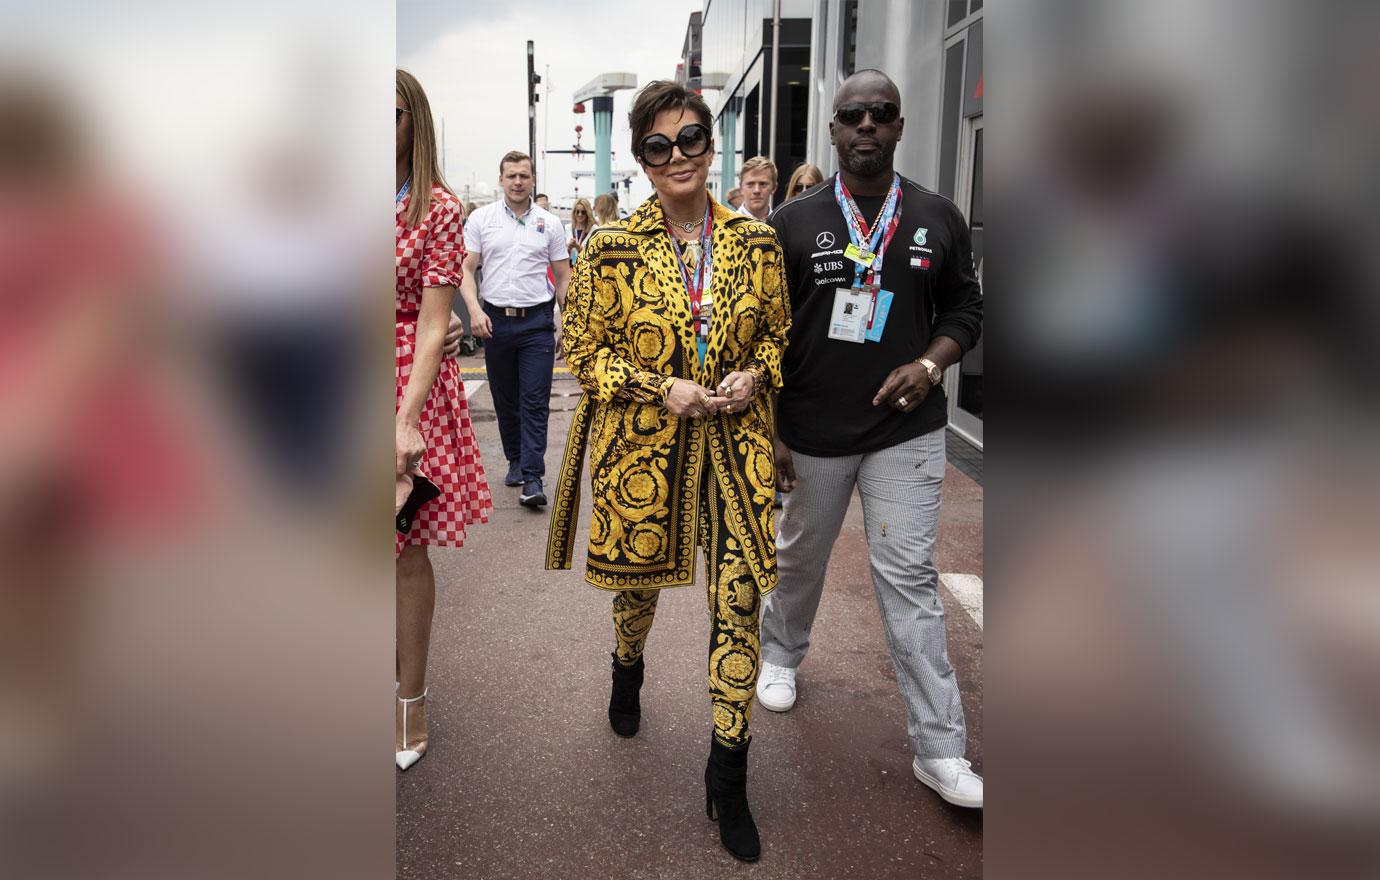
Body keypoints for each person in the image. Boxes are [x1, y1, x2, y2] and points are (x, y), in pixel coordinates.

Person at [546, 80, 790, 862]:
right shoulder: (609, 247)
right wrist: (662, 387)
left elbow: (779, 336)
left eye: (690, 140)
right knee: (638, 587)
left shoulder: (757, 242)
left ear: (710, 148)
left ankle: (729, 772)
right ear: (642, 161)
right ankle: (627, 667)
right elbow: (581, 351)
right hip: (644, 451)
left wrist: (757, 374)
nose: (677, 156)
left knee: (739, 600)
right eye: (659, 146)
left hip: (736, 445)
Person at [756, 69, 985, 807]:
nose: (866, 125)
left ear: (899, 127)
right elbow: (759, 333)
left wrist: (930, 362)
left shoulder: (937, 215)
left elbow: (966, 310)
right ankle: (782, 652)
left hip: (906, 433)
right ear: (832, 129)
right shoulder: (791, 223)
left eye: (880, 114)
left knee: (909, 580)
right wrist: (774, 428)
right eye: (851, 114)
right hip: (813, 430)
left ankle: (940, 747)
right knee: (801, 558)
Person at [394, 69, 493, 770]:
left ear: (414, 123)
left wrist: (405, 421)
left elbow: (434, 326)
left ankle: (411, 696)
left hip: (405, 376)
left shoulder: (439, 207)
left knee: (402, 551)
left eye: (390, 114)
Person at [458, 152, 570, 508]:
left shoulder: (550, 224)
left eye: (524, 175)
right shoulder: (481, 219)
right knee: (505, 400)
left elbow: (564, 276)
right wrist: (474, 311)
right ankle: (516, 461)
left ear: (533, 179)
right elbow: (465, 269)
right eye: (512, 176)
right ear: (501, 180)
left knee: (535, 401)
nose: (518, 182)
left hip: (537, 321)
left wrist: (566, 321)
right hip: (495, 321)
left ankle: (533, 477)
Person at [737, 156, 777, 220]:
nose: (757, 190)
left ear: (774, 188)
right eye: (750, 184)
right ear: (741, 188)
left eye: (763, 184)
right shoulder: (726, 226)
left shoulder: (782, 226)